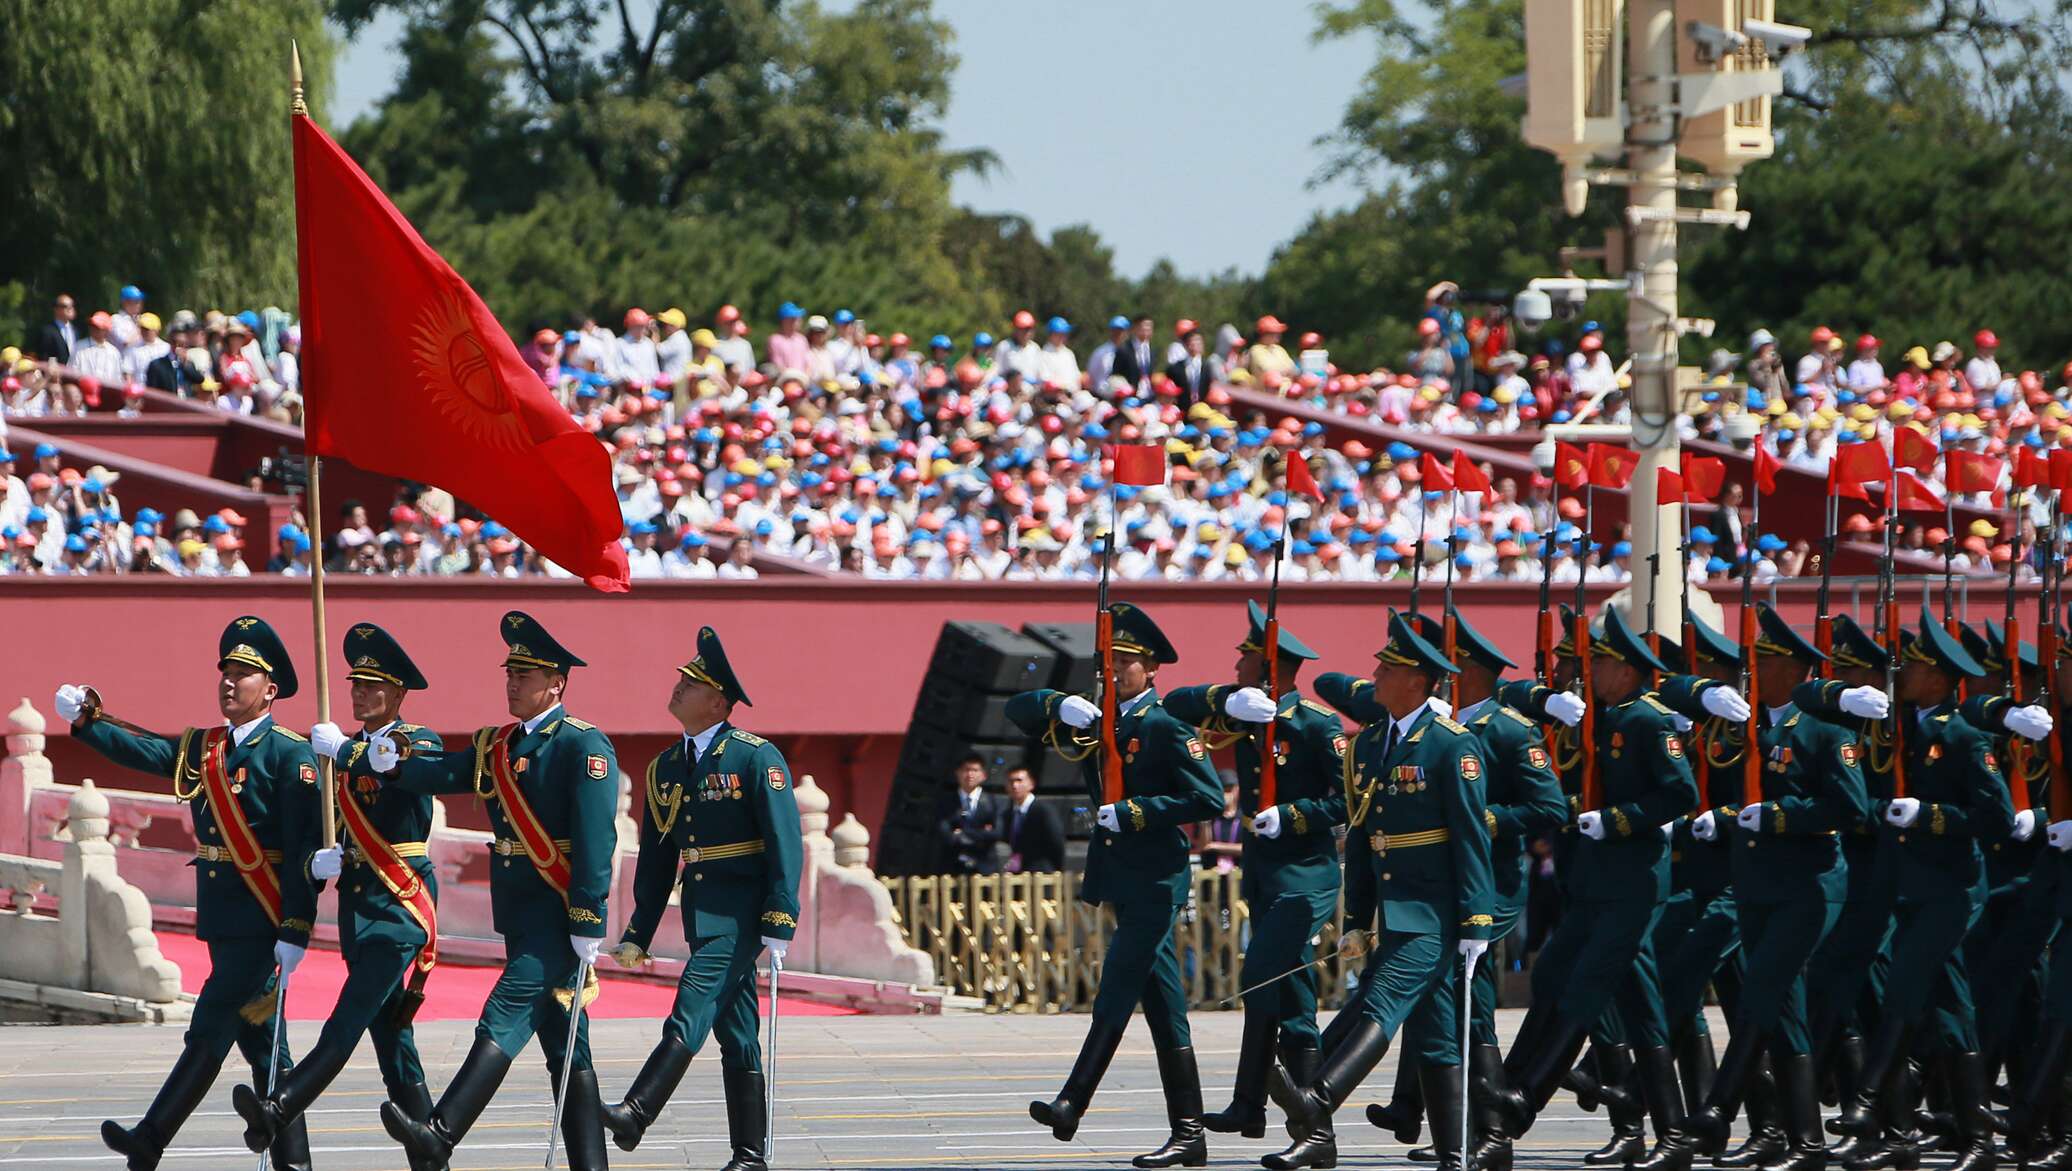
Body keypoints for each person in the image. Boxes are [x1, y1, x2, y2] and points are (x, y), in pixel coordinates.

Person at [54, 616, 318, 1171]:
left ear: (269, 690)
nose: (229, 682)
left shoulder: (291, 756)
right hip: (223, 916)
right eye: (225, 672)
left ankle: (151, 1137)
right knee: (266, 1046)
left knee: (211, 1026)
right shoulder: (205, 748)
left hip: (262, 918)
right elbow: (143, 753)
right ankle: (295, 1165)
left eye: (243, 674)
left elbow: (300, 854)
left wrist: (296, 926)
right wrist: (87, 722)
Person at [361, 611, 619, 1171]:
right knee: (566, 1047)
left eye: (525, 675)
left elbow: (599, 838)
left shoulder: (581, 745)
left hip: (558, 912)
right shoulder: (495, 744)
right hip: (521, 910)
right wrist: (383, 759)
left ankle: (440, 1131)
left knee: (503, 1012)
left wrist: (588, 919)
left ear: (556, 684)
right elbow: (440, 774)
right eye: (510, 673)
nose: (512, 682)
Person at [1332, 609, 1567, 1171]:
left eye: (1454, 660)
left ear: (1468, 668)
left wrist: (1480, 820)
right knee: (1451, 1006)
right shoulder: (1423, 731)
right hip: (1440, 889)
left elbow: (1547, 808)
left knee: (1467, 1005)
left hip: (1487, 889)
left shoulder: (1503, 729)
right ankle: (1457, 1132)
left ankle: (1488, 1130)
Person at [1482, 606, 1699, 1169]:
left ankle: (1523, 1099)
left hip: (1634, 881)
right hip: (1595, 879)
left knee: (1586, 986)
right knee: (1598, 991)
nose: (1588, 675)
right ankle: (1650, 1129)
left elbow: (1680, 795)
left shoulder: (1649, 719)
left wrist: (1619, 819)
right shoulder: (1602, 717)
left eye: (1598, 664)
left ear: (1626, 669)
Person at [1275, 610, 1494, 1171]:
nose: (1373, 674)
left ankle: (1317, 1098)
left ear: (1417, 681)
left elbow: (1471, 838)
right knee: (1438, 1033)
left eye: (1387, 667)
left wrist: (1476, 922)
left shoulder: (1451, 745)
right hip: (1396, 911)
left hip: (1436, 911)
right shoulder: (1368, 745)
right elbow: (1368, 836)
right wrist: (1357, 918)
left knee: (1381, 1000)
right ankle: (1454, 1156)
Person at [1011, 602, 1224, 1167]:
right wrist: (1060, 704)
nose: (1114, 672)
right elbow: (1018, 708)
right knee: (1163, 1010)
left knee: (1117, 986)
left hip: (1156, 878)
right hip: (1120, 877)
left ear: (1151, 669)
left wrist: (1134, 812)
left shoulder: (1165, 726)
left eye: (1126, 663)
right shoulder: (1101, 720)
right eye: (1108, 663)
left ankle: (1072, 1102)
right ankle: (1190, 1134)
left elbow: (1208, 798)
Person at [234, 624, 446, 1171]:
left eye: (374, 686)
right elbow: (315, 832)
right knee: (394, 1049)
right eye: (356, 683)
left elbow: (398, 767)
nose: (359, 693)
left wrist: (347, 750)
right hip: (359, 911)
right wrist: (313, 863)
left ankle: (276, 1109)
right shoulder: (334, 758)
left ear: (399, 694)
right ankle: (433, 1158)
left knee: (344, 1022)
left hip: (400, 908)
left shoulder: (416, 740)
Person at [604, 627, 802, 1170]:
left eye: (689, 684)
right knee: (737, 1034)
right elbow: (658, 856)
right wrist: (638, 931)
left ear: (717, 701)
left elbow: (785, 840)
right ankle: (749, 1156)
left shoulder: (755, 758)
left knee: (691, 1004)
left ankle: (636, 1113)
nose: (677, 688)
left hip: (742, 915)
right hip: (701, 912)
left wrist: (781, 915)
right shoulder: (666, 766)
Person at [1682, 606, 1869, 1171]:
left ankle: (1718, 1106)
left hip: (1808, 887)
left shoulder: (1824, 728)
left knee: (1762, 991)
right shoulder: (1757, 727)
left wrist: (1779, 816)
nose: (1754, 668)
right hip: (1759, 885)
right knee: (1782, 1011)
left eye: (1764, 659)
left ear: (1791, 667)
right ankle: (1802, 1142)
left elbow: (1851, 807)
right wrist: (1736, 816)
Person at [1828, 616, 2011, 1171]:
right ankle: (1972, 1141)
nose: (1901, 673)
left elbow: (1995, 817)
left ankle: (1865, 1103)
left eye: (1913, 666)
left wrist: (1931, 816)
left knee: (1903, 990)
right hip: (1909, 886)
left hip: (1952, 890)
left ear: (1939, 677)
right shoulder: (1904, 725)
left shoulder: (1962, 734)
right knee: (1953, 1012)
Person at [1164, 602, 1349, 1145]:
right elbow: (1176, 704)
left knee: (1268, 977)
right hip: (1266, 875)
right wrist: (1227, 699)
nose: (1236, 664)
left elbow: (1347, 800)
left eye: (1245, 659)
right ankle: (1276, 1115)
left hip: (1307, 876)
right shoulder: (1241, 715)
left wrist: (1291, 816)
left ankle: (1287, 1112)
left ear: (1271, 667)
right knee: (1286, 986)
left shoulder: (1317, 724)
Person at [935, 753, 1007, 874]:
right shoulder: (945, 802)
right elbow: (945, 833)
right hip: (952, 866)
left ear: (983, 775)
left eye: (975, 770)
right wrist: (982, 832)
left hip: (985, 866)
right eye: (966, 770)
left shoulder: (995, 802)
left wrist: (962, 833)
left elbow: (997, 833)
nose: (970, 774)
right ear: (957, 773)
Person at [1002, 767, 1066, 873]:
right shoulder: (1007, 813)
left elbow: (1056, 841)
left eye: (1019, 780)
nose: (1014, 785)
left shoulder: (1044, 810)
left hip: (1042, 873)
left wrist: (1055, 869)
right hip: (1017, 873)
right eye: (1011, 781)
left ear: (1031, 784)